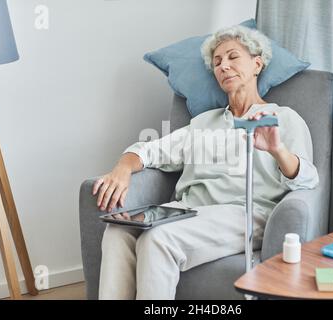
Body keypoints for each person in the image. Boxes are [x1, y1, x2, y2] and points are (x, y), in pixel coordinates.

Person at [93, 25, 319, 299]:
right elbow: (150, 150)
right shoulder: (203, 123)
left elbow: (307, 179)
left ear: (257, 64)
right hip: (187, 210)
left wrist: (277, 149)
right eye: (217, 62)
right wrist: (123, 167)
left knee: (158, 240)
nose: (224, 66)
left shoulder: (283, 117)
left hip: (244, 212)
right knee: (119, 231)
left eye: (233, 57)